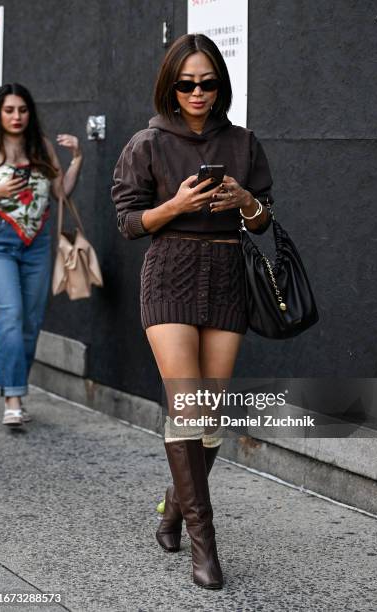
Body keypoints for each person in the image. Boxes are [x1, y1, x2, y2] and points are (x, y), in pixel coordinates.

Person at [112, 34, 274, 590]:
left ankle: (173, 506)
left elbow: (263, 219)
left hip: (227, 274)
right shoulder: (147, 144)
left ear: (220, 84)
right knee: (187, 401)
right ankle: (204, 545)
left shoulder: (244, 142)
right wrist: (176, 205)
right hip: (171, 272)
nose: (197, 92)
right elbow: (129, 222)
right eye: (186, 83)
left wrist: (246, 203)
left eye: (207, 82)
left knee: (209, 411)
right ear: (170, 85)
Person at [0, 83, 83, 427]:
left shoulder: (41, 148)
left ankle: (17, 387)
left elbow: (60, 192)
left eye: (23, 110)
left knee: (30, 322)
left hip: (37, 245)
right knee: (10, 316)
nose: (16, 117)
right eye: (9, 110)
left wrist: (77, 160)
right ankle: (13, 397)